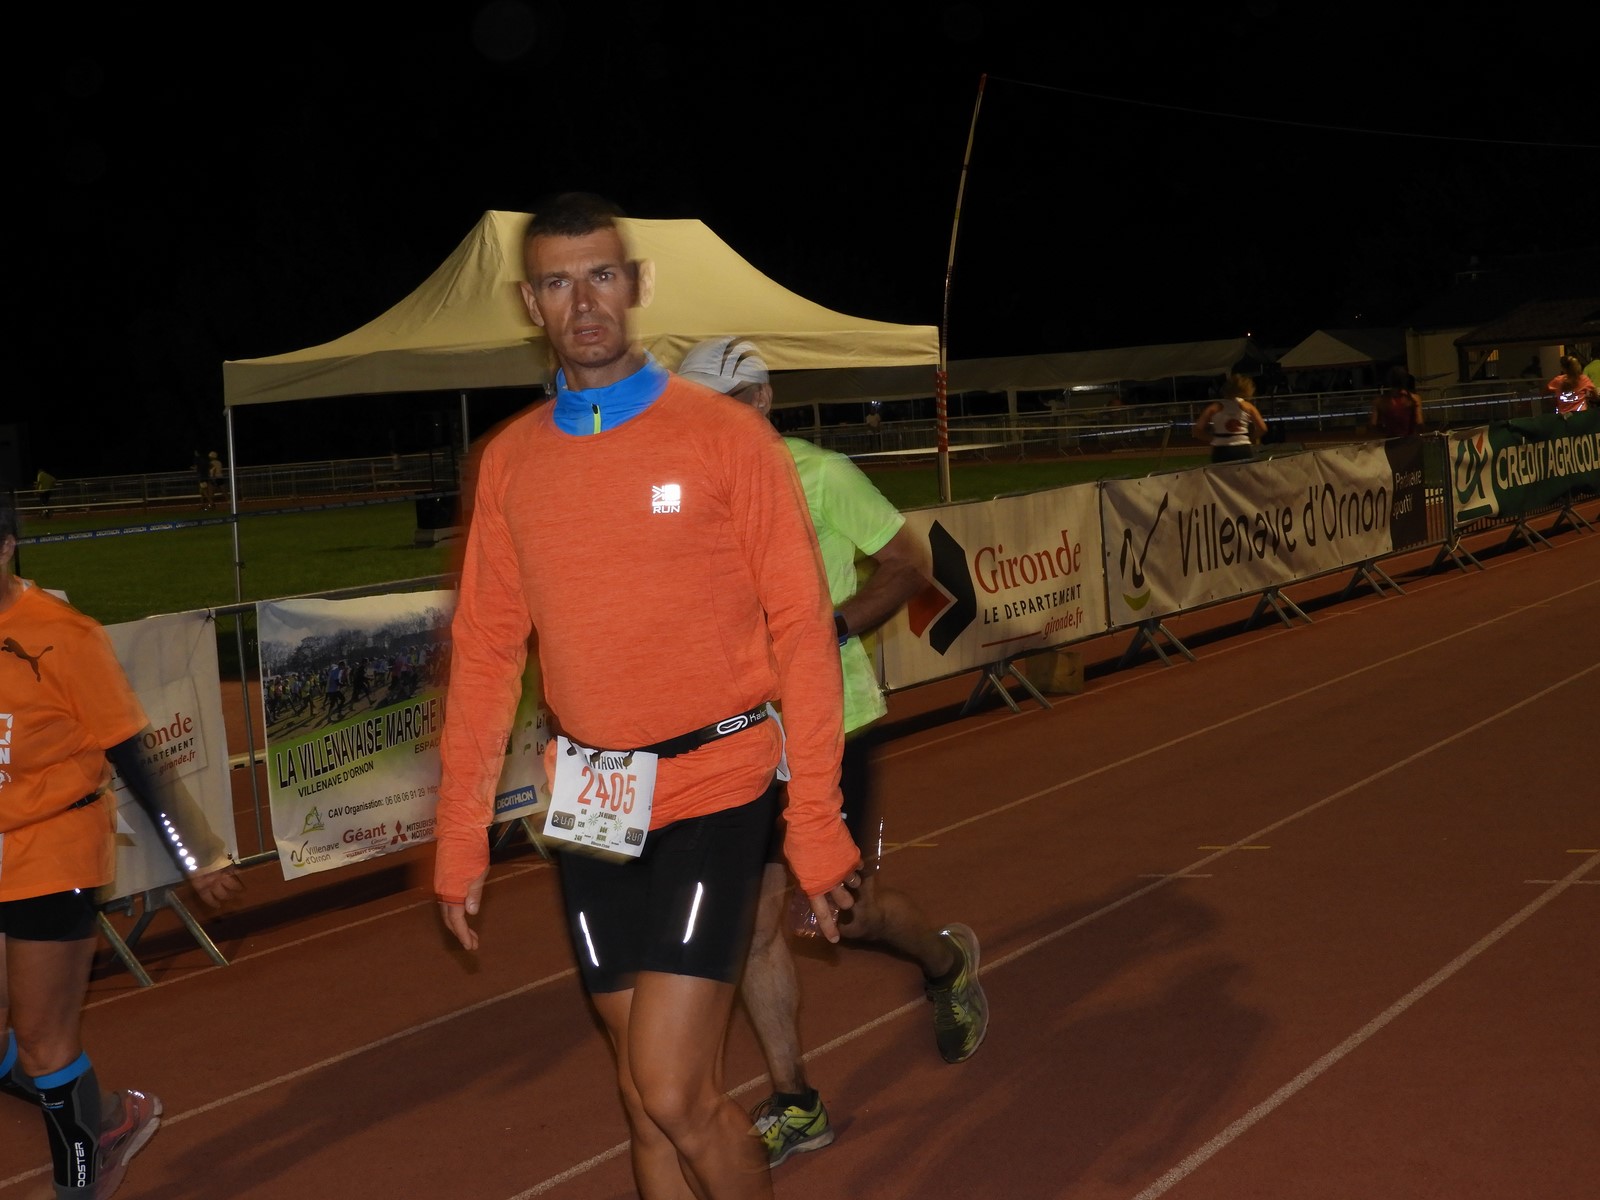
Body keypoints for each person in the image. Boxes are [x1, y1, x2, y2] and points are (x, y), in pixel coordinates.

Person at [431, 194, 859, 1200]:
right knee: (644, 1099)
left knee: (673, 1086)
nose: (583, 302)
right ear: (529, 302)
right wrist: (459, 834)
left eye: (602, 275)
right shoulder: (510, 461)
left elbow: (803, 630)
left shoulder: (724, 437)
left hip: (716, 785)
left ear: (637, 286)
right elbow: (486, 651)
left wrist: (815, 818)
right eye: (557, 281)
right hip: (591, 803)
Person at [678, 337, 991, 1169]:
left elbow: (909, 564)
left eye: (722, 407)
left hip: (833, 722)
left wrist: (829, 629)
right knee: (752, 926)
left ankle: (945, 963)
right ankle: (796, 1101)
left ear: (760, 401)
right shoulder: (693, 494)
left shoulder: (821, 475)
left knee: (846, 915)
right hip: (743, 735)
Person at [0, 493, 243, 1198]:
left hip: (55, 846)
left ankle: (80, 1179)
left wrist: (196, 853)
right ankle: (102, 1119)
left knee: (42, 1039)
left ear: (7, 547)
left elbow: (133, 754)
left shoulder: (64, 636)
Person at [1192, 374, 1267, 463]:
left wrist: (1213, 438)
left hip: (1221, 448)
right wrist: (1249, 438)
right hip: (1242, 447)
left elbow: (1197, 430)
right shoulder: (1248, 407)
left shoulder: (1214, 408)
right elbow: (1262, 428)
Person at [1370, 365, 1424, 438]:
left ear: (1389, 381)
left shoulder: (1380, 401)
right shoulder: (1414, 398)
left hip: (1392, 441)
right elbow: (1419, 422)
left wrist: (1387, 432)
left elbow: (1373, 425)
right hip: (1410, 440)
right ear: (1405, 380)